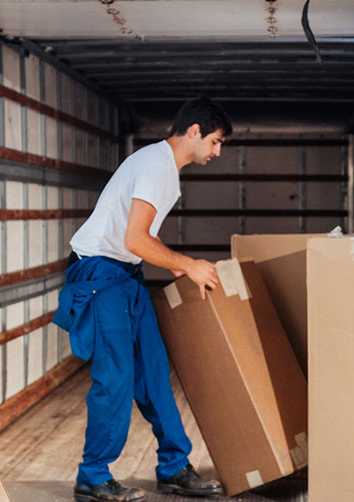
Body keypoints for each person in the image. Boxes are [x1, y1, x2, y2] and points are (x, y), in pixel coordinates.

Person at [54, 96, 230, 502]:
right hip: (100, 274)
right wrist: (187, 264)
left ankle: (174, 467)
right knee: (115, 378)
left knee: (153, 371)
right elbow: (134, 237)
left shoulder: (160, 164)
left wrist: (168, 261)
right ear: (194, 132)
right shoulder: (156, 167)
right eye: (216, 142)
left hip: (126, 273)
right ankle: (93, 476)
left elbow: (138, 234)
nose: (217, 152)